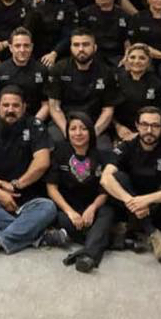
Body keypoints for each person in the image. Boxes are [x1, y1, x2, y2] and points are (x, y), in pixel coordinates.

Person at [0, 85, 64, 257]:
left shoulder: (36, 126)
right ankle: (38, 235)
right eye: (5, 105)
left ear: (24, 107)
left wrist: (15, 185)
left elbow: (42, 162)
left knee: (48, 208)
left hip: (29, 200)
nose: (10, 110)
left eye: (16, 105)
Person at [100, 106, 161, 262]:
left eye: (155, 126)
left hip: (156, 208)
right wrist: (131, 201)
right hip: (129, 205)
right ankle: (153, 233)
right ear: (137, 126)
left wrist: (146, 200)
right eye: (144, 124)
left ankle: (133, 228)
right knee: (117, 177)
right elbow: (105, 179)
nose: (149, 130)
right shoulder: (126, 146)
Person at [46, 112, 112, 272]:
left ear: (90, 131)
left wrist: (93, 208)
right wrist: (70, 212)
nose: (78, 133)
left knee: (108, 212)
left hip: (91, 208)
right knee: (59, 217)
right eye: (73, 129)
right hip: (67, 208)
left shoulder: (101, 154)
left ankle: (87, 253)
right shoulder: (59, 151)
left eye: (83, 128)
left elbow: (105, 190)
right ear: (67, 132)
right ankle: (105, 243)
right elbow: (51, 188)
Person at [46, 30, 120, 142]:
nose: (81, 49)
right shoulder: (59, 69)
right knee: (54, 143)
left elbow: (108, 110)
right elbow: (55, 107)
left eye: (85, 44)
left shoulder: (106, 72)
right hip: (64, 123)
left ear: (94, 47)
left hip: (94, 124)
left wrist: (92, 134)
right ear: (71, 48)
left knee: (103, 149)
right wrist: (68, 132)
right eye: (76, 45)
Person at [112, 44, 161, 142]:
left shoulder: (156, 82)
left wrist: (143, 132)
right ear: (126, 60)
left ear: (148, 62)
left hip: (148, 132)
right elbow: (108, 108)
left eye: (142, 58)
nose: (136, 61)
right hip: (120, 130)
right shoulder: (116, 79)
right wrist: (118, 127)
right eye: (132, 57)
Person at [0, 28, 51, 122]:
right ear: (10, 48)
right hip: (7, 119)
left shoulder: (42, 70)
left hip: (34, 118)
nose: (22, 50)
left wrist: (34, 123)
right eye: (17, 46)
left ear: (32, 47)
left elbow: (46, 104)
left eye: (26, 45)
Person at [79, 0, 131, 67]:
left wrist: (127, 58)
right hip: (93, 57)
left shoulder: (124, 15)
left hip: (117, 57)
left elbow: (127, 41)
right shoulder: (85, 14)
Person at [31, 0, 78, 65]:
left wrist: (54, 53)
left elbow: (69, 34)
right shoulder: (35, 6)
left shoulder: (70, 6)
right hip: (37, 57)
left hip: (62, 56)